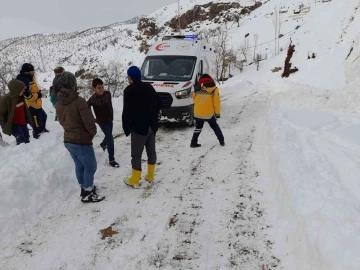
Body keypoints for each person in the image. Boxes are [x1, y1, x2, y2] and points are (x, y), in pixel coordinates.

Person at [55, 71, 104, 203]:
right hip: (81, 140)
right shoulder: (79, 101)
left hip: (68, 139)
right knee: (90, 167)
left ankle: (84, 187)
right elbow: (89, 122)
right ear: (72, 85)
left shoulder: (58, 103)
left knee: (79, 165)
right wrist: (91, 134)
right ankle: (88, 192)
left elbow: (61, 120)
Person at [122, 66, 161, 188]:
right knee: (151, 151)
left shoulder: (129, 91)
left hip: (139, 129)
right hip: (151, 126)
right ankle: (150, 176)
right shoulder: (149, 87)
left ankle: (134, 180)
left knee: (136, 154)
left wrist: (127, 127)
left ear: (130, 77)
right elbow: (158, 103)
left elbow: (127, 112)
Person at [87, 78, 119, 168]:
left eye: (102, 87)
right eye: (98, 88)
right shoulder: (93, 99)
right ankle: (111, 159)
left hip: (110, 119)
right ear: (94, 88)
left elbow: (109, 105)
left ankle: (103, 144)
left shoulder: (108, 94)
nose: (101, 89)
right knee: (110, 138)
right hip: (101, 121)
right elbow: (87, 106)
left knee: (108, 135)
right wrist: (92, 118)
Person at [190, 74, 225, 148]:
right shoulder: (214, 88)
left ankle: (193, 142)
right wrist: (217, 113)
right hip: (209, 113)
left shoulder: (197, 88)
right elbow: (216, 102)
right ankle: (221, 141)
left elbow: (193, 99)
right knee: (215, 127)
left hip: (198, 113)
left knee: (198, 127)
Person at [16, 63, 48, 139]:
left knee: (44, 116)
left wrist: (40, 91)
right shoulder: (23, 80)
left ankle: (43, 130)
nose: (33, 72)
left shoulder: (30, 78)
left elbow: (34, 90)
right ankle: (37, 134)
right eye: (32, 71)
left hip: (37, 103)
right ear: (27, 71)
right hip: (31, 105)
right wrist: (40, 94)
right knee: (36, 121)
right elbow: (28, 96)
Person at [0, 79, 33, 145]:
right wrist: (5, 126)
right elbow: (1, 114)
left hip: (23, 123)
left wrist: (29, 120)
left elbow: (25, 110)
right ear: (17, 90)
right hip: (14, 125)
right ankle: (22, 154)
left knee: (27, 139)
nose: (24, 90)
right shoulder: (5, 100)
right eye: (22, 89)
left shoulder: (21, 97)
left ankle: (28, 154)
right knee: (21, 141)